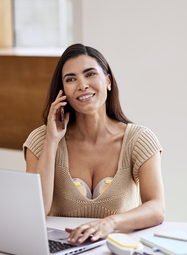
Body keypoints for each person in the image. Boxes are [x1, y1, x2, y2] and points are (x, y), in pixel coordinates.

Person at [23, 43, 164, 244]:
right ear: (63, 91)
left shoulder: (139, 140)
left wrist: (110, 222)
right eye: (71, 79)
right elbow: (37, 210)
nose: (82, 85)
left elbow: (157, 208)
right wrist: (52, 140)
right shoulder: (41, 140)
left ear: (108, 81)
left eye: (90, 74)